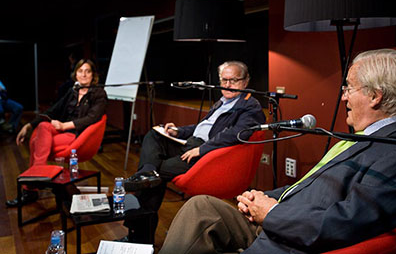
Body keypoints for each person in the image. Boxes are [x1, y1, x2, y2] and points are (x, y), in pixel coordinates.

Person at [158, 49, 396, 254]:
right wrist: (262, 198)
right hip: (282, 221)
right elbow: (309, 187)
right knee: (201, 206)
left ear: (375, 95)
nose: (343, 96)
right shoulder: (361, 137)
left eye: (348, 87)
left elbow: (345, 223)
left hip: (290, 241)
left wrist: (271, 214)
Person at [122, 61, 266, 243]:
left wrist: (202, 149)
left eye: (234, 80)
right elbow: (203, 127)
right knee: (154, 135)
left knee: (156, 177)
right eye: (224, 80)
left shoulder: (249, 106)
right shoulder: (222, 102)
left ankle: (139, 237)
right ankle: (145, 175)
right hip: (190, 144)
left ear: (246, 82)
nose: (228, 85)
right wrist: (179, 131)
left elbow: (236, 134)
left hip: (207, 156)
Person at [6, 59, 107, 207]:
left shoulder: (99, 93)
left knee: (36, 143)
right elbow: (53, 110)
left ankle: (31, 188)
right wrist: (28, 125)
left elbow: (92, 118)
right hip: (63, 130)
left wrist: (64, 125)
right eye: (80, 71)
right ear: (76, 74)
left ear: (93, 75)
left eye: (88, 71)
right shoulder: (73, 91)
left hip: (78, 134)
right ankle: (39, 175)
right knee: (43, 126)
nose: (84, 74)